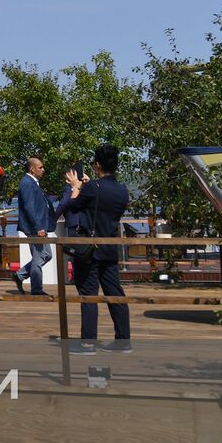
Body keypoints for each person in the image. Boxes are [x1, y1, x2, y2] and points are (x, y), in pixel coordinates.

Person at [63, 143, 131, 354]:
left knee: (88, 294)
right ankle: (123, 341)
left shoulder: (92, 188)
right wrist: (88, 186)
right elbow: (101, 205)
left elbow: (71, 206)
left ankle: (88, 343)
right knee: (115, 294)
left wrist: (76, 186)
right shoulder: (121, 190)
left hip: (89, 250)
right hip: (109, 247)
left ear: (98, 165)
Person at [13, 156, 56, 296]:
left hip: (39, 226)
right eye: (40, 167)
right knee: (38, 258)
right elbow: (29, 207)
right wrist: (38, 228)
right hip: (35, 228)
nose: (43, 170)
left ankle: (20, 275)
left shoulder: (33, 182)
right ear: (32, 169)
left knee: (47, 255)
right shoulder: (27, 183)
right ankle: (37, 290)